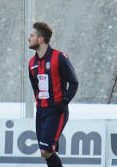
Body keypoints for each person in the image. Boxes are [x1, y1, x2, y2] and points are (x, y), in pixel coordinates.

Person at [27, 21, 79, 167]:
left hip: (56, 110)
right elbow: (35, 87)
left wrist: (64, 102)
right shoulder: (32, 63)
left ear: (41, 39)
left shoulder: (59, 57)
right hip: (41, 111)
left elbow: (74, 82)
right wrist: (39, 104)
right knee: (45, 151)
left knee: (46, 151)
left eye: (32, 35)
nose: (29, 38)